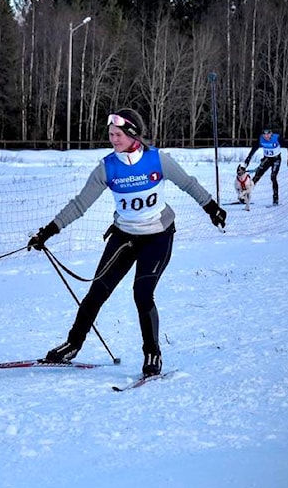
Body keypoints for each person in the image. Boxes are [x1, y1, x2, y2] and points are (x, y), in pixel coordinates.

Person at [27, 108, 226, 378]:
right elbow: (80, 204)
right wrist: (48, 231)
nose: (113, 139)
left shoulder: (158, 160)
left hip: (158, 236)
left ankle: (152, 353)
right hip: (124, 237)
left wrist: (211, 207)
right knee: (97, 292)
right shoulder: (107, 167)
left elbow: (188, 184)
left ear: (133, 134)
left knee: (142, 293)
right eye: (110, 134)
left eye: (118, 134)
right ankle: (73, 345)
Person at [244, 128, 288, 205]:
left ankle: (275, 199)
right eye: (264, 134)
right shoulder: (261, 139)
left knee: (273, 177)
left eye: (268, 134)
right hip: (267, 159)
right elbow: (254, 148)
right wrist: (248, 158)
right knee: (257, 176)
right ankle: (245, 196)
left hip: (276, 159)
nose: (266, 136)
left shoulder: (277, 138)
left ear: (271, 134)